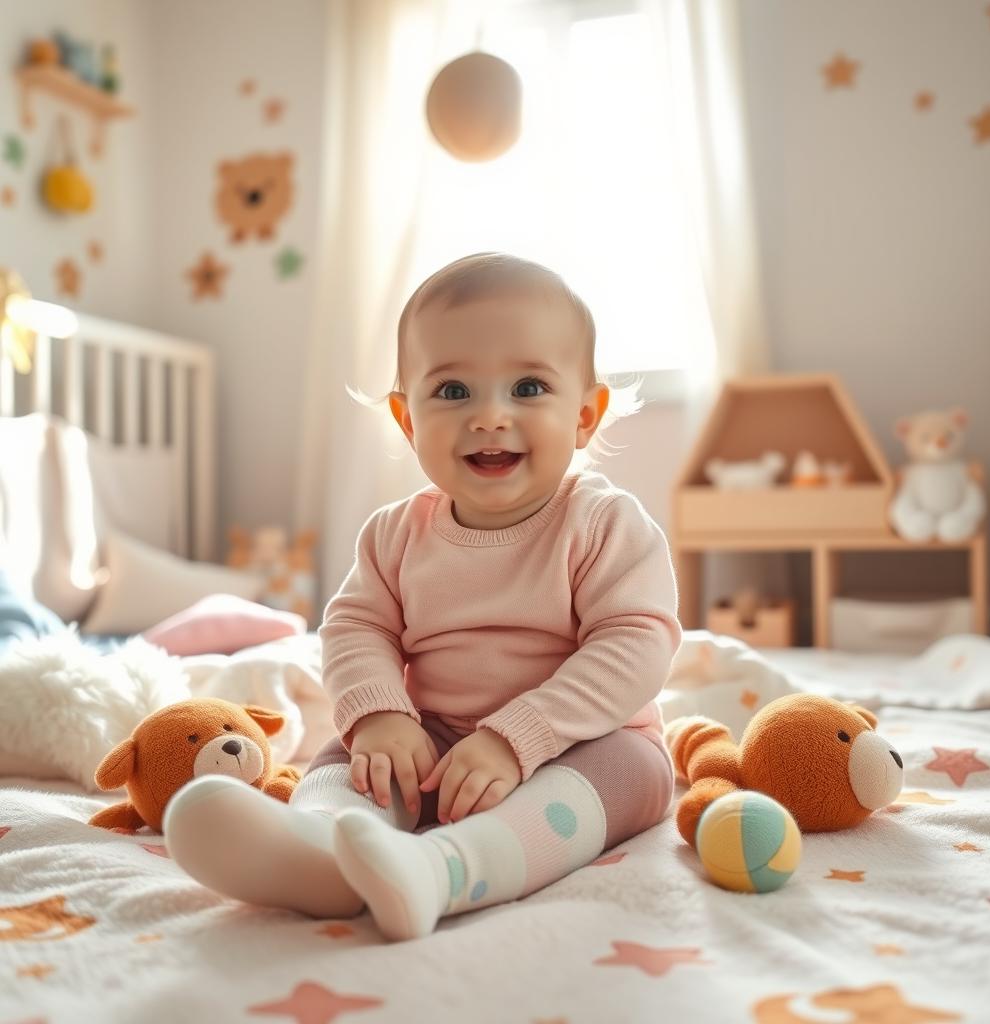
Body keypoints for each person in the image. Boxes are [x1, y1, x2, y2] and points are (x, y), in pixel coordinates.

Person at [164, 253, 682, 941]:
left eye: (528, 387)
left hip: (581, 742)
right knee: (349, 758)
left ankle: (441, 870)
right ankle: (320, 849)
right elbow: (354, 629)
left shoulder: (602, 522)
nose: (490, 417)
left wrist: (516, 739)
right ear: (408, 422)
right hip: (429, 735)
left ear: (586, 415)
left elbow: (636, 644)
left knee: (623, 774)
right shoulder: (395, 535)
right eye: (453, 392)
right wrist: (381, 716)